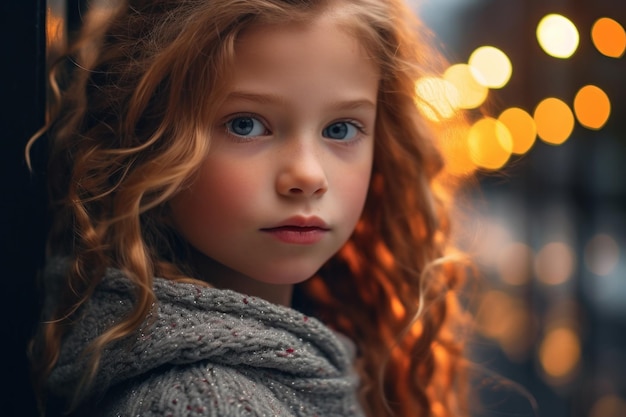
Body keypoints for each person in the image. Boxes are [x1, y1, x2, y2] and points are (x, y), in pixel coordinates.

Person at [27, 0, 473, 416]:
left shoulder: (323, 344)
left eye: (340, 129)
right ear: (147, 139)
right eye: (246, 124)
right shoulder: (206, 401)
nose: (308, 176)